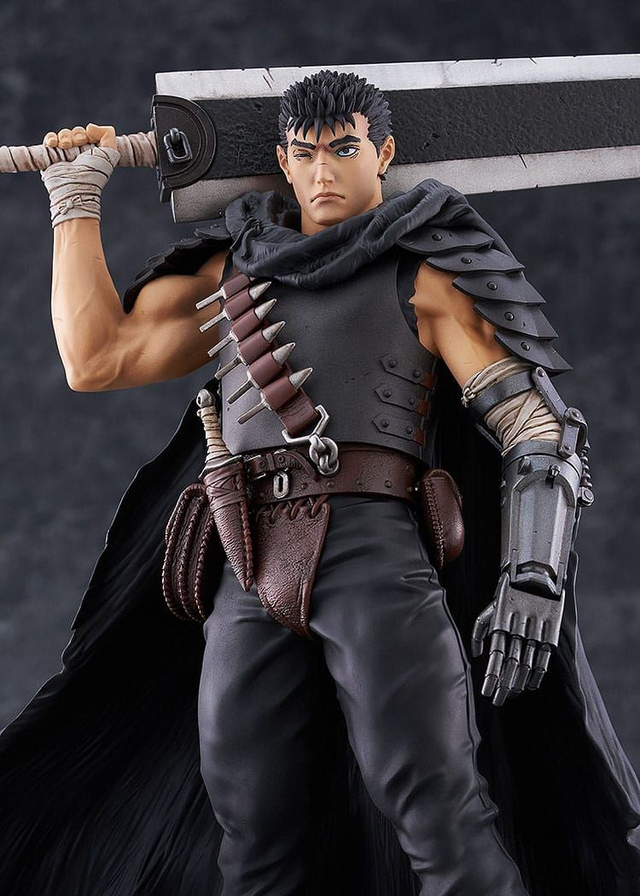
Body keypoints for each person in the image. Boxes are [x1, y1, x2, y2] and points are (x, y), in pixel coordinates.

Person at [1, 69, 639, 896]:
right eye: (304, 153)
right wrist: (74, 200)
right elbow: (97, 358)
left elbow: (538, 431)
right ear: (281, 162)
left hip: (372, 555)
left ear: (385, 152)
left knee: (440, 816)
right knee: (251, 832)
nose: (323, 171)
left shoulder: (426, 272)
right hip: (247, 562)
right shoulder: (233, 272)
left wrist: (533, 576)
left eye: (344, 149)